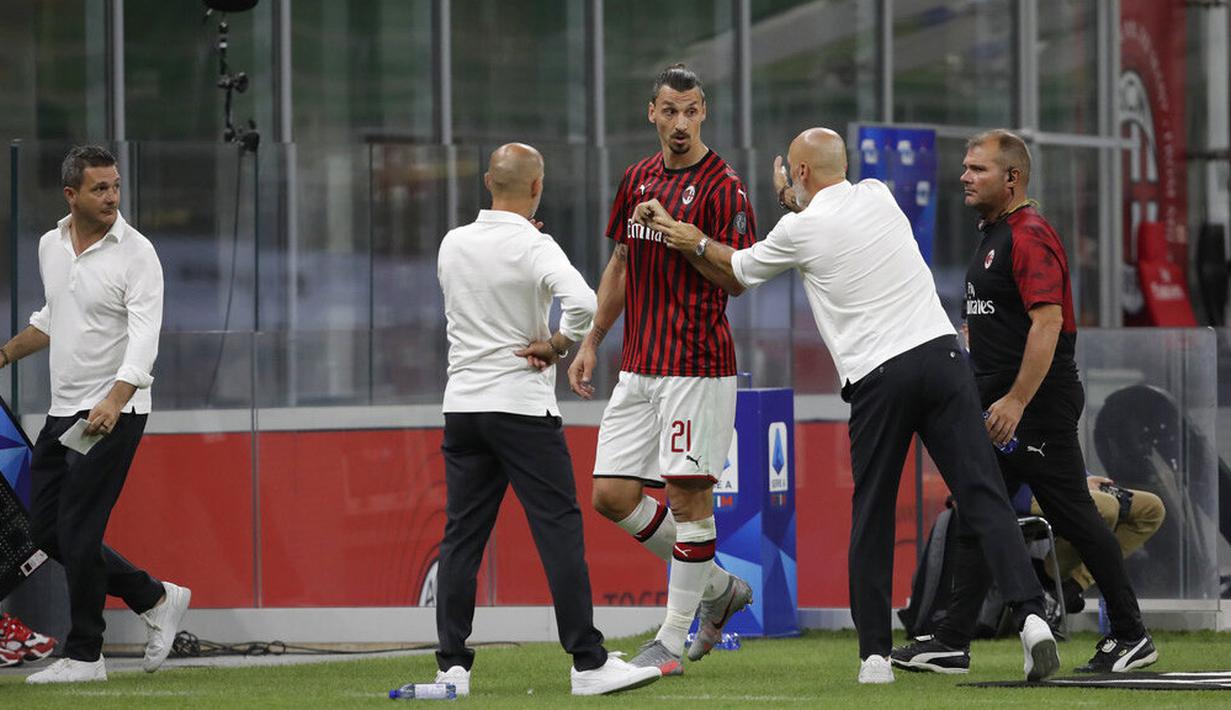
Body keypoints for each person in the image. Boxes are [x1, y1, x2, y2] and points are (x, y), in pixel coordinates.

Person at [639, 126, 1058, 684]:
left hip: (878, 378)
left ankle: (876, 657)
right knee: (984, 494)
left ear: (802, 173)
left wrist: (683, 235)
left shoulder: (798, 229)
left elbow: (735, 269)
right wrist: (796, 197)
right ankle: (1032, 620)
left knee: (873, 516)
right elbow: (824, 208)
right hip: (941, 357)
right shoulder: (879, 195)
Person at [893, 129, 1157, 674]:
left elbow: (1048, 323)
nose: (964, 176)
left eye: (977, 169)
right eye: (965, 167)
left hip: (1033, 405)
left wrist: (1014, 400)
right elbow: (997, 324)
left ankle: (1131, 635)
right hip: (999, 405)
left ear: (1011, 178)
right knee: (977, 507)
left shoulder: (1030, 234)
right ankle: (950, 639)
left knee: (1074, 516)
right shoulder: (995, 233)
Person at [433, 142, 661, 697]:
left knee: (462, 536)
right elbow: (582, 301)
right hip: (520, 408)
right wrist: (557, 343)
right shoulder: (535, 244)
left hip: (463, 406)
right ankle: (587, 662)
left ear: (489, 181)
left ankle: (452, 668)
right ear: (537, 187)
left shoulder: (453, 242)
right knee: (558, 532)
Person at [566, 63, 756, 675]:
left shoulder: (726, 186)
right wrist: (594, 338)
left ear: (704, 113)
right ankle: (718, 589)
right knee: (611, 495)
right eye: (669, 111)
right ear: (652, 112)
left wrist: (684, 237)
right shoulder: (635, 178)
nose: (680, 123)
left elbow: (740, 279)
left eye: (691, 111)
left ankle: (670, 641)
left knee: (686, 496)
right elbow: (620, 263)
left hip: (697, 365)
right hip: (639, 366)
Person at [0, 145, 190, 684]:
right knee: (47, 532)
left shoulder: (138, 252)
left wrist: (114, 398)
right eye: (99, 188)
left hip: (115, 411)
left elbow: (145, 336)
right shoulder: (49, 246)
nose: (111, 197)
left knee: (80, 529)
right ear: (71, 194)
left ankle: (86, 655)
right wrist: (5, 353)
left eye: (115, 186)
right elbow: (52, 317)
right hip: (64, 411)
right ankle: (153, 596)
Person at [1022, 475, 1165, 614]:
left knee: (1152, 508)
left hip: (1069, 483)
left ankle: (1072, 586)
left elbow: (1064, 456)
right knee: (1106, 507)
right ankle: (1052, 577)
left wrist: (1086, 477)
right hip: (1031, 491)